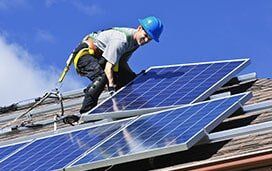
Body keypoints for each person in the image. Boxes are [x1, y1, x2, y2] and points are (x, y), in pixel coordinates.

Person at [69, 16, 163, 114]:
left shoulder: (135, 43)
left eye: (150, 39)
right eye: (145, 35)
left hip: (102, 58)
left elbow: (122, 63)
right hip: (85, 55)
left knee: (129, 79)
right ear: (139, 28)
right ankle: (86, 112)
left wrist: (133, 76)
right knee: (101, 77)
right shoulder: (122, 40)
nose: (146, 40)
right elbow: (108, 68)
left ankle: (126, 108)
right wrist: (111, 87)